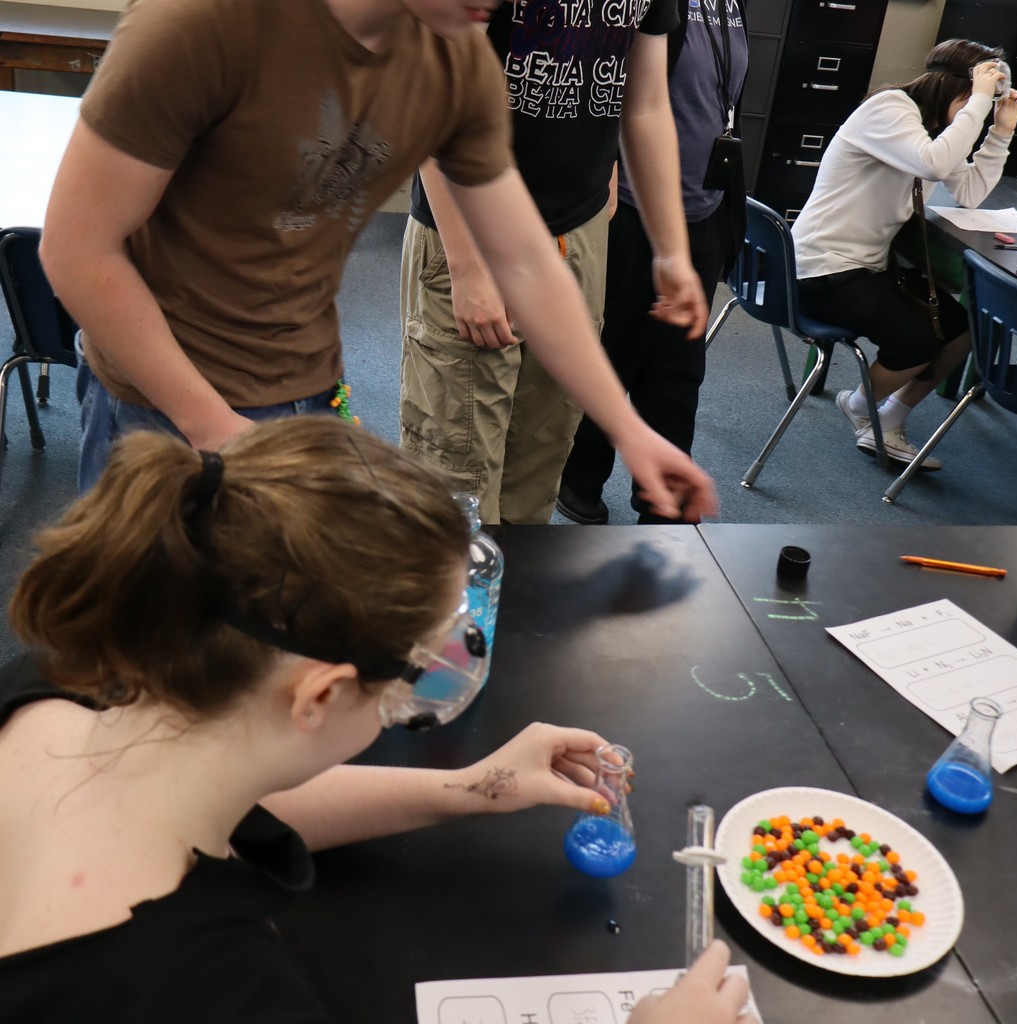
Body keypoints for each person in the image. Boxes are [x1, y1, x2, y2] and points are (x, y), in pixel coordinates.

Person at [0, 416, 748, 1024]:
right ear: (320, 696)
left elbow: (252, 805)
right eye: (426, 660)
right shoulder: (212, 990)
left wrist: (472, 786)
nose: (443, 672)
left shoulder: (60, 689)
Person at [40, 0, 716, 525]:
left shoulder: (455, 59)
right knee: (155, 648)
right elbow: (77, 249)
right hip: (162, 402)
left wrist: (628, 430)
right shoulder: (203, 23)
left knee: (281, 641)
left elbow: (526, 261)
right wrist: (213, 427)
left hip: (306, 387)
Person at [399, 0, 709, 525]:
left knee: (540, 460)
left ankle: (514, 579)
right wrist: (468, 266)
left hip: (577, 225)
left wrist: (672, 249)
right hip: (470, 223)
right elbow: (432, 97)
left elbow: (646, 104)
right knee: (457, 482)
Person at [558, 0, 748, 525]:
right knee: (613, 348)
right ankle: (579, 477)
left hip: (702, 212)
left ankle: (665, 508)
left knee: (679, 368)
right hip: (629, 209)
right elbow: (625, 96)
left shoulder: (731, 6)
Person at [791, 38, 1017, 469]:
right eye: (978, 97)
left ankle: (890, 417)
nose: (981, 109)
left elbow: (969, 192)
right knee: (916, 341)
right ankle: (859, 406)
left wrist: (1000, 132)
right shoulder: (889, 108)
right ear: (958, 88)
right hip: (821, 269)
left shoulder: (930, 128)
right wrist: (977, 102)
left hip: (866, 267)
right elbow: (934, 164)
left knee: (964, 327)